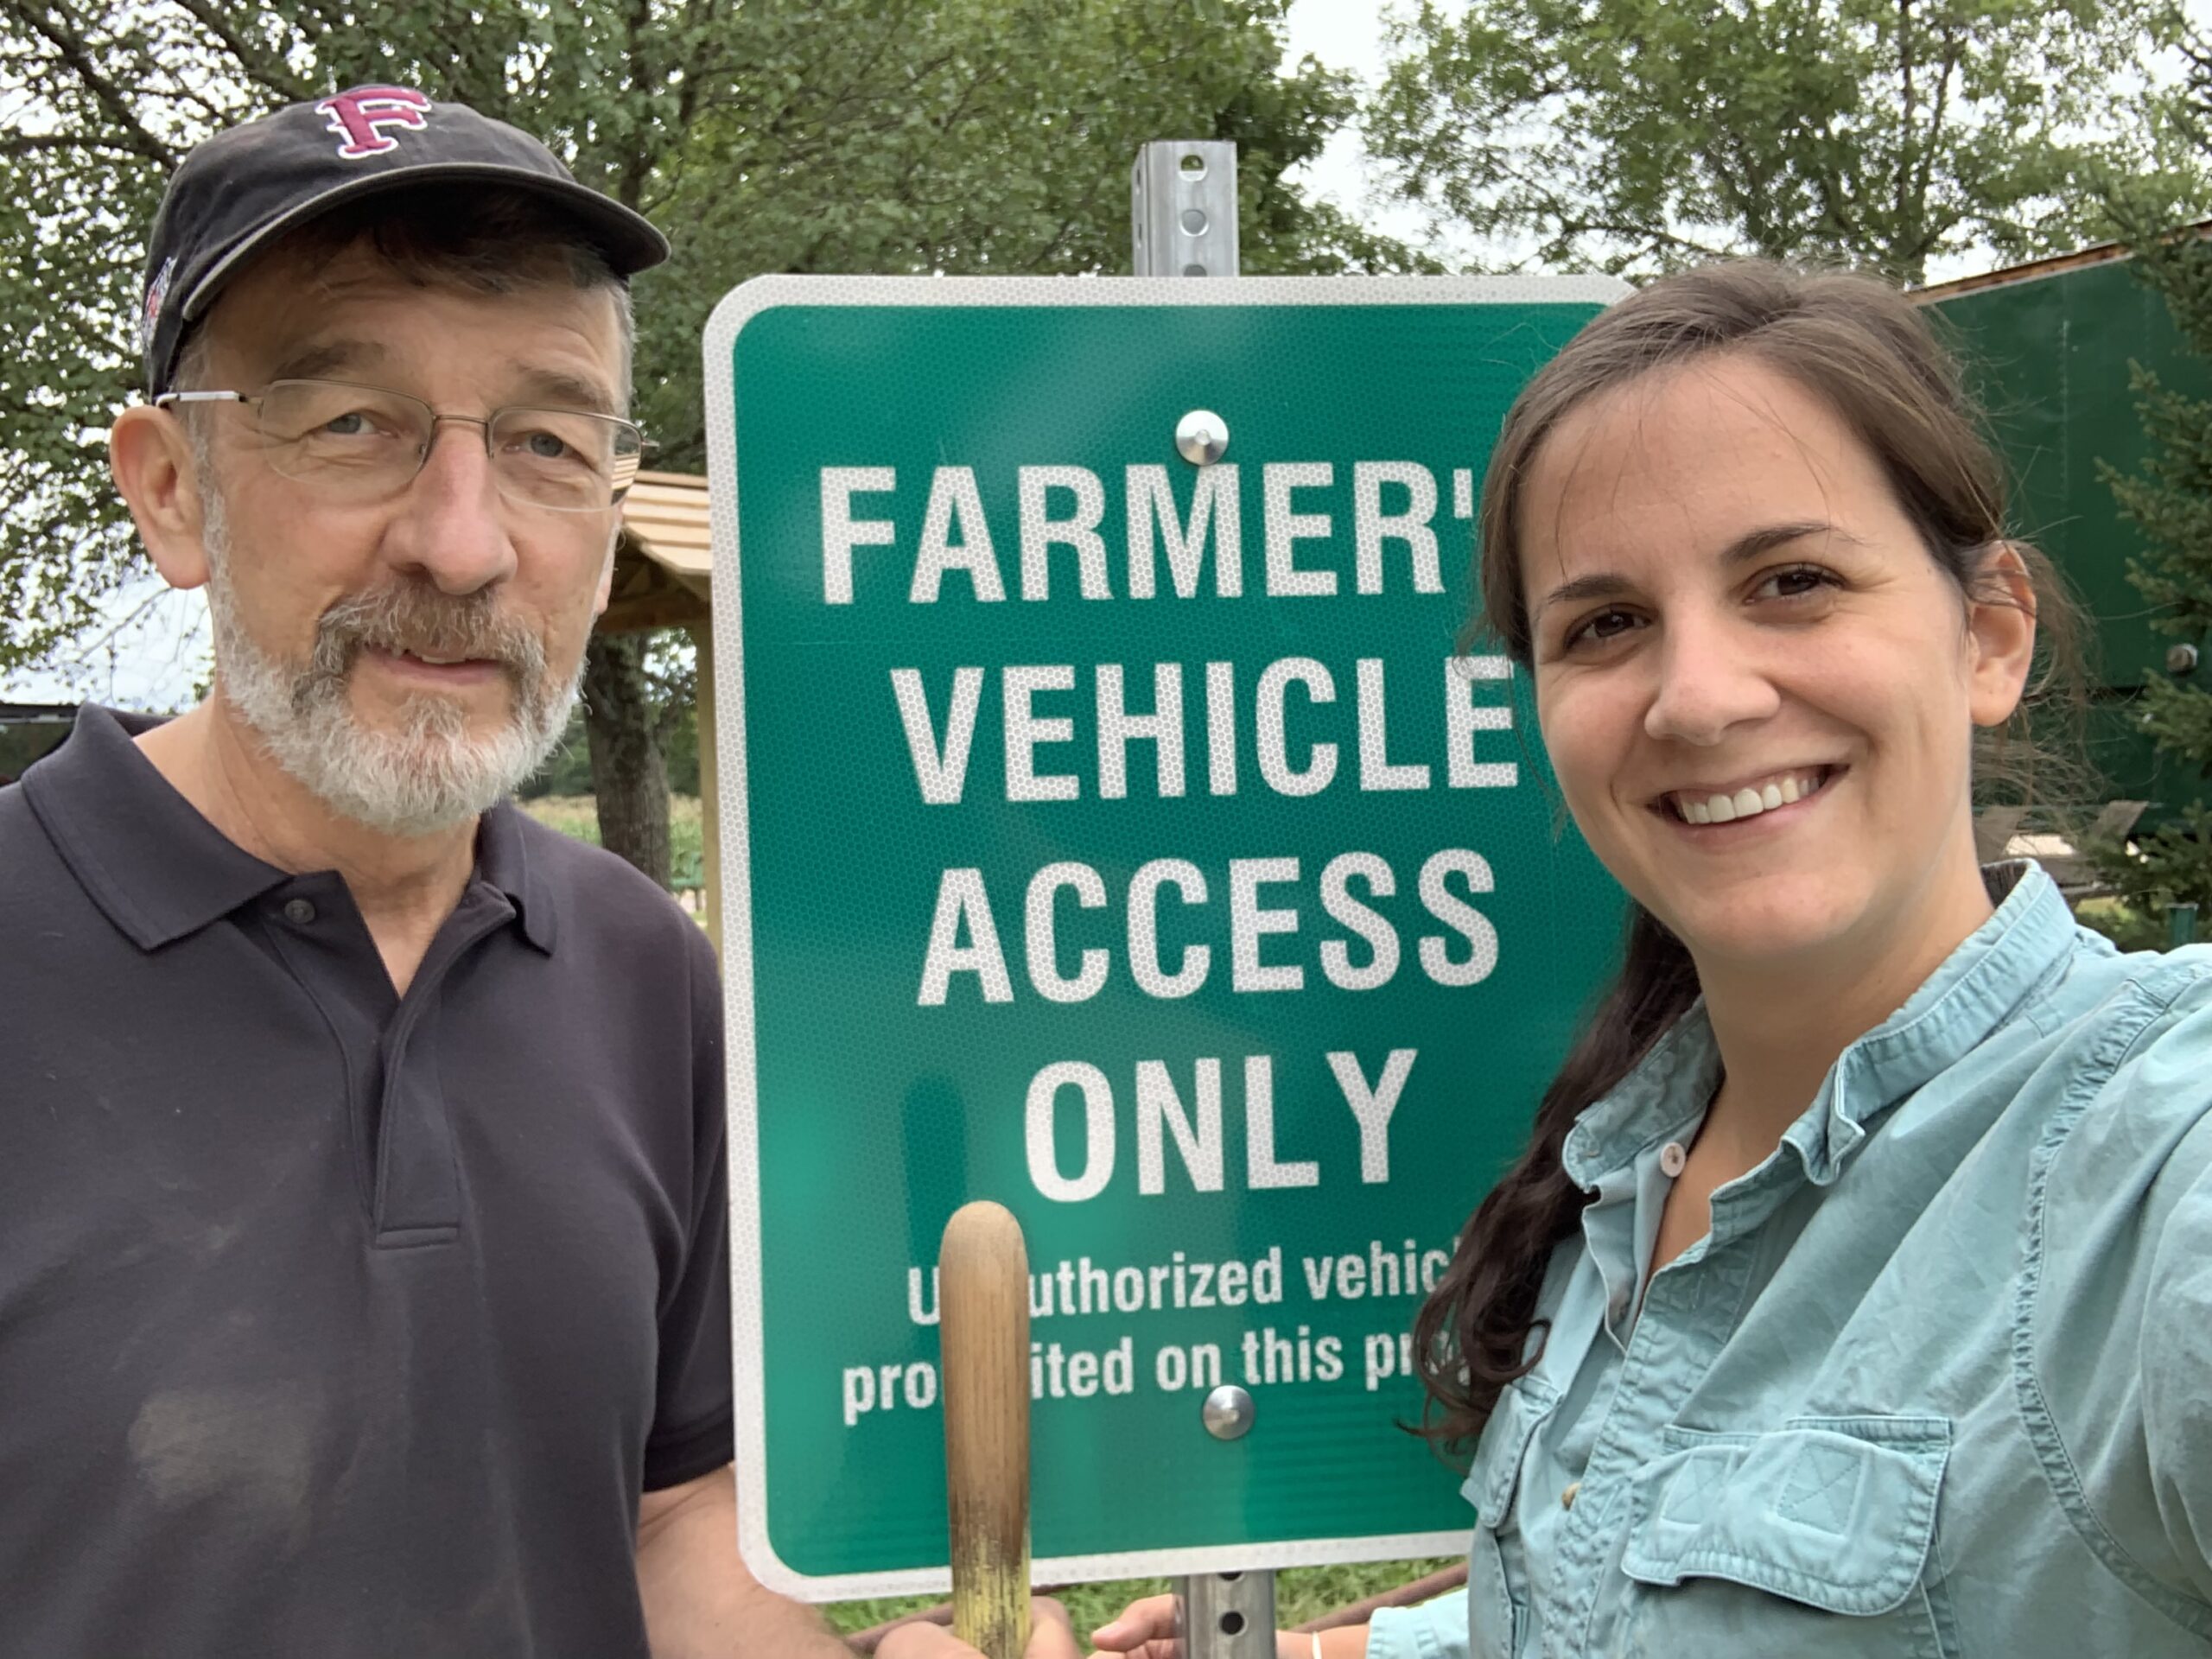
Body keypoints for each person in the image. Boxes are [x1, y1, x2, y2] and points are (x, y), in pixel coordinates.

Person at [1089, 261, 2212, 1657]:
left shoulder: (2151, 1161)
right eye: (1606, 624)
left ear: (1988, 635)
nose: (1697, 696)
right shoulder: (1622, 1178)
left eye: (1793, 581)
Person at [0, 87, 863, 1657]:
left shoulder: (639, 966)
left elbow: (668, 1519)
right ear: (170, 490)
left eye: (544, 440)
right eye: (352, 424)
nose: (462, 547)